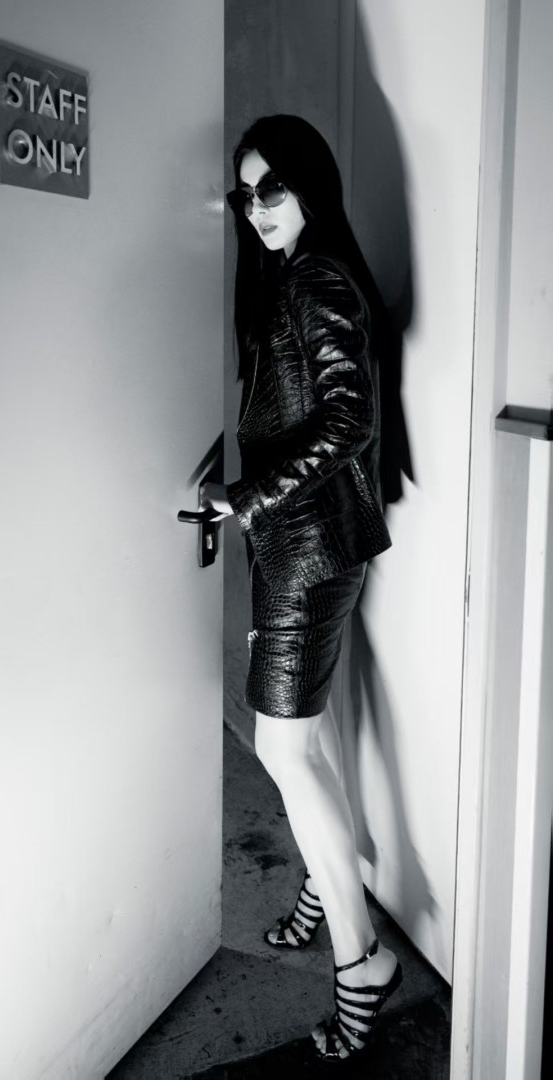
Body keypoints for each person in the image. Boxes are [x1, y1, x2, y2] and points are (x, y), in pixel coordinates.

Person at [200, 115, 402, 1061]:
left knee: (283, 750)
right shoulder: (295, 275)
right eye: (244, 194)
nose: (256, 209)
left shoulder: (315, 278)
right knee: (304, 747)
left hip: (307, 550)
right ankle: (325, 885)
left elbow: (347, 421)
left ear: (309, 184)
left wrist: (245, 498)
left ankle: (362, 960)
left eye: (271, 188)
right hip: (306, 544)